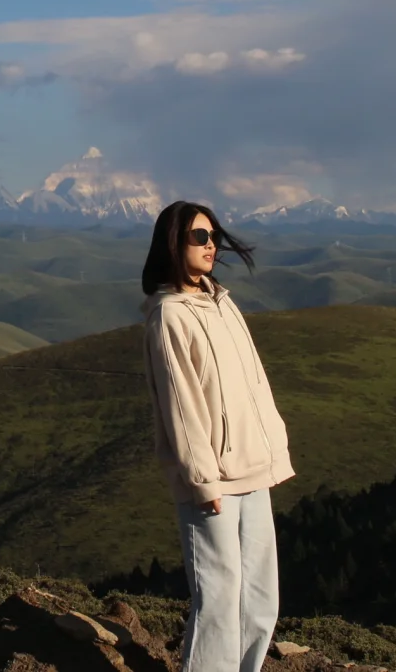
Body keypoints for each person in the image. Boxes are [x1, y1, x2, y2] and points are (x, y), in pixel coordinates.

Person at [140, 200, 295, 672]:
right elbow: (181, 406)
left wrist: (275, 450)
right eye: (199, 237)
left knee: (260, 599)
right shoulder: (169, 315)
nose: (211, 246)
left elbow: (255, 383)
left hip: (254, 468)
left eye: (214, 237)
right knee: (220, 598)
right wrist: (203, 480)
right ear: (174, 243)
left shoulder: (223, 303)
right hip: (213, 480)